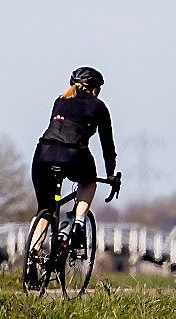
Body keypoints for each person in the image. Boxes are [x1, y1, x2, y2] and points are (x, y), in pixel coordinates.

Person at [30, 66, 118, 252]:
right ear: (95, 89)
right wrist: (110, 174)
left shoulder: (60, 99)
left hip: (43, 153)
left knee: (44, 209)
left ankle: (32, 256)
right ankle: (78, 222)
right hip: (74, 155)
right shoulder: (99, 106)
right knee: (89, 183)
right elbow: (107, 145)